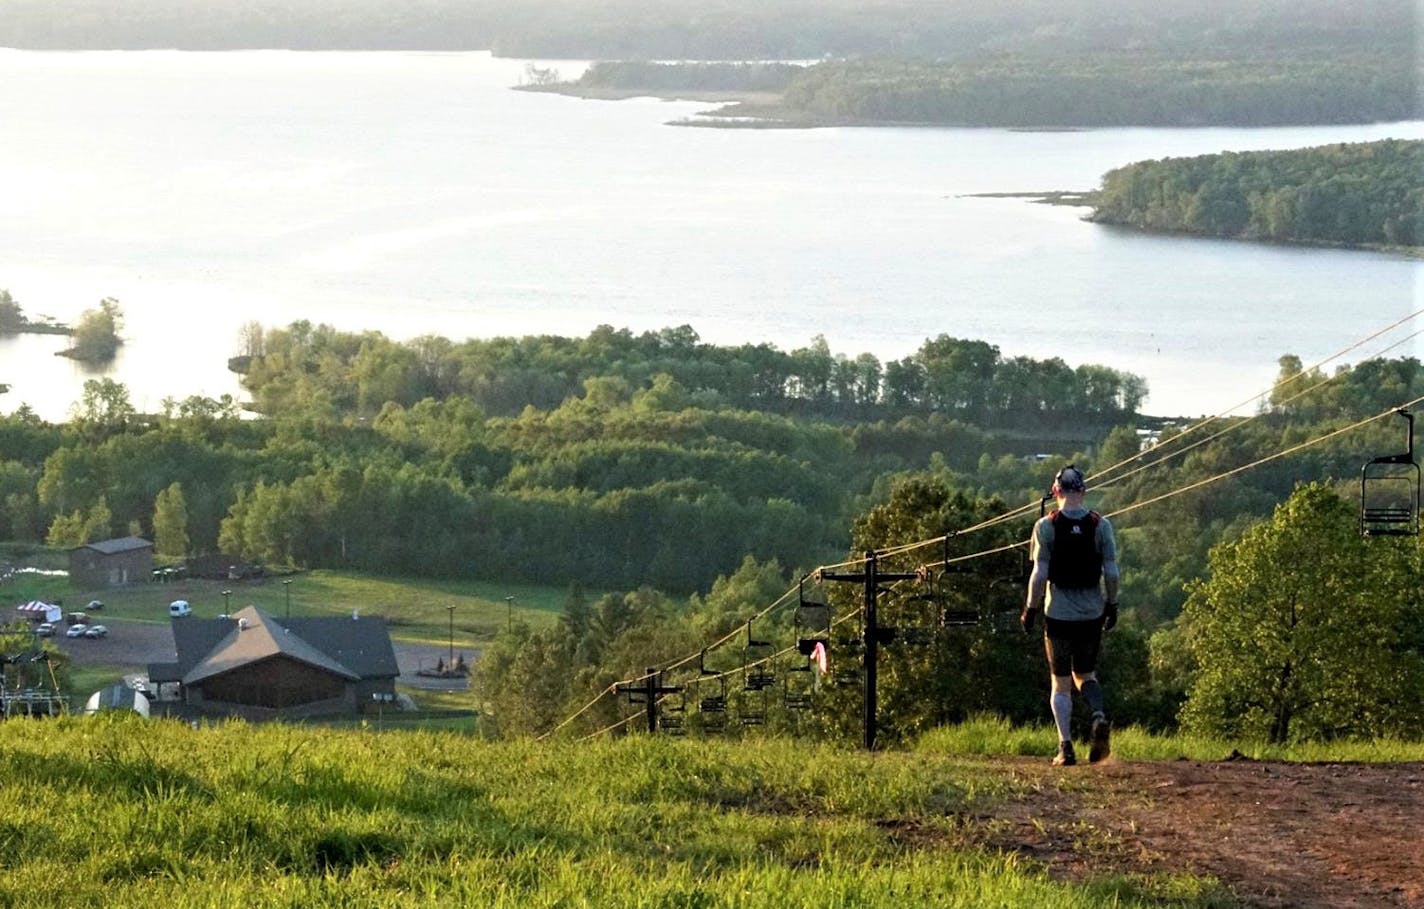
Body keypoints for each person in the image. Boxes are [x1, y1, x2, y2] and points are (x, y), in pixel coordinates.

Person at [1021, 464, 1120, 766]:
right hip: (1091, 613)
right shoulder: (1100, 525)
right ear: (1083, 491)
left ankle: (1065, 747)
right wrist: (1112, 604)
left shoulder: (1046, 526)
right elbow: (1112, 571)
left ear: (1055, 492)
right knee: (1086, 674)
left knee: (1060, 682)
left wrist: (1030, 609)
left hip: (1058, 614)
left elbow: (1039, 574)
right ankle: (1098, 715)